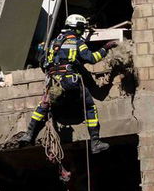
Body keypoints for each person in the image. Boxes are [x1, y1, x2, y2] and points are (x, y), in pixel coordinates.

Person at [12, 14, 109, 154]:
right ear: (77, 28)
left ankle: (29, 134)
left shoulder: (53, 42)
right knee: (89, 106)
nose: (82, 32)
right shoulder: (76, 41)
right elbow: (92, 58)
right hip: (70, 81)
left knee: (44, 105)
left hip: (53, 82)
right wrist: (105, 47)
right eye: (82, 28)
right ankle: (95, 142)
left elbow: (42, 62)